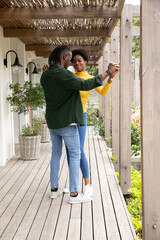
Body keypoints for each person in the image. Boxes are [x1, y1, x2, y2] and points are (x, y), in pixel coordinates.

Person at [41, 45, 119, 204]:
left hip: (53, 122)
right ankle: (74, 194)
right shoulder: (64, 74)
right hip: (67, 121)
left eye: (77, 60)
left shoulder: (46, 75)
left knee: (56, 153)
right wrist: (108, 72)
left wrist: (108, 78)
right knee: (76, 153)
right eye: (70, 59)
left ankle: (54, 190)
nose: (71, 63)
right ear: (64, 57)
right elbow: (84, 85)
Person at [65, 49, 119, 198]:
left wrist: (110, 78)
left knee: (79, 151)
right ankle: (73, 184)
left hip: (81, 118)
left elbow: (102, 92)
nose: (77, 63)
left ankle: (88, 184)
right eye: (74, 61)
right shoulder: (70, 76)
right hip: (69, 118)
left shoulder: (90, 78)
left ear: (85, 62)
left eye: (79, 61)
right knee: (70, 153)